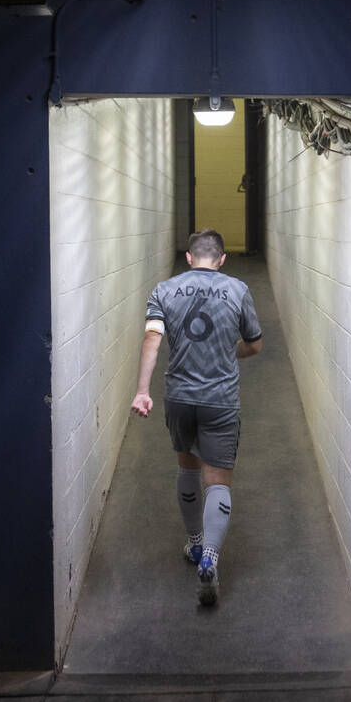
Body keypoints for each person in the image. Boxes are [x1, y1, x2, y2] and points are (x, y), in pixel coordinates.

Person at [130, 228, 262, 605]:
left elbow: (152, 340)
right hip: (220, 400)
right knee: (217, 480)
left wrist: (142, 391)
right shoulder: (237, 289)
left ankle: (194, 543)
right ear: (222, 259)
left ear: (189, 258)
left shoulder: (164, 290)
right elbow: (255, 344)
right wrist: (225, 351)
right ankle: (211, 558)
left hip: (180, 399)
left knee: (187, 468)